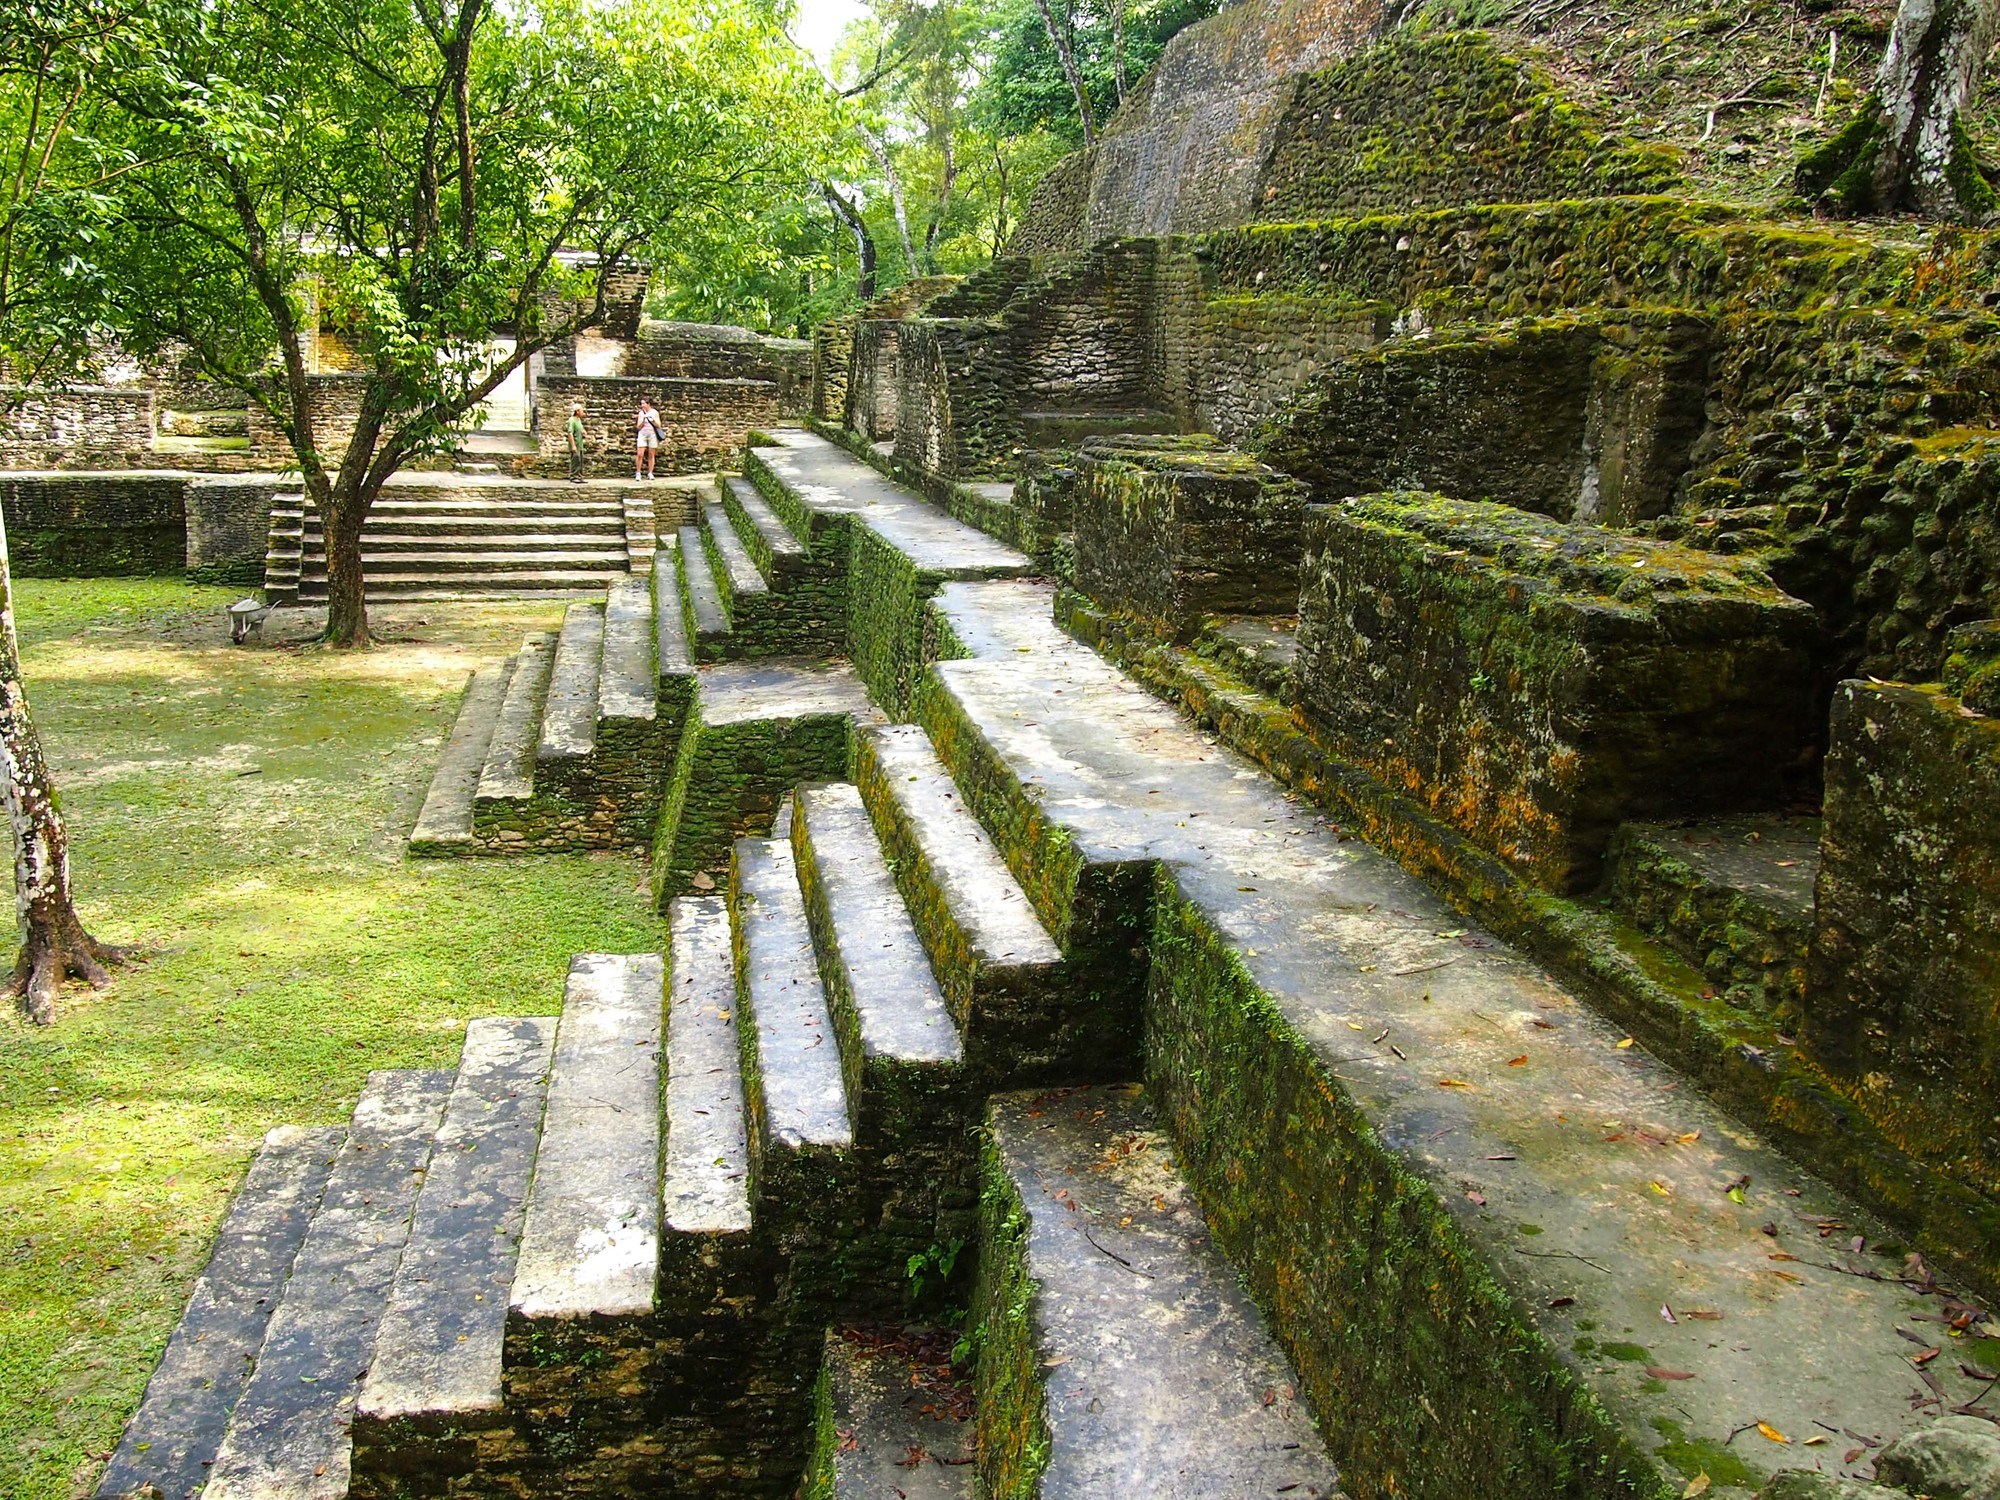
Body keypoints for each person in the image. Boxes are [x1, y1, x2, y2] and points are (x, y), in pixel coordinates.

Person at [635, 398, 662, 480]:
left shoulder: (654, 412)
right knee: (640, 454)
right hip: (642, 434)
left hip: (652, 434)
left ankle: (650, 473)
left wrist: (652, 420)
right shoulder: (641, 413)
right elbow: (638, 427)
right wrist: (643, 421)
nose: (642, 405)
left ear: (648, 404)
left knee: (651, 454)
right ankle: (638, 473)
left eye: (644, 403)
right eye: (641, 404)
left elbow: (658, 425)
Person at [565, 403, 588, 483]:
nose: (582, 412)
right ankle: (574, 476)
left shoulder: (578, 420)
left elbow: (580, 429)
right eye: (581, 410)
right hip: (575, 445)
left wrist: (583, 432)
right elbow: (570, 433)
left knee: (580, 461)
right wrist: (573, 446)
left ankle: (579, 476)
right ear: (577, 411)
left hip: (580, 444)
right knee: (575, 460)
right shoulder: (571, 420)